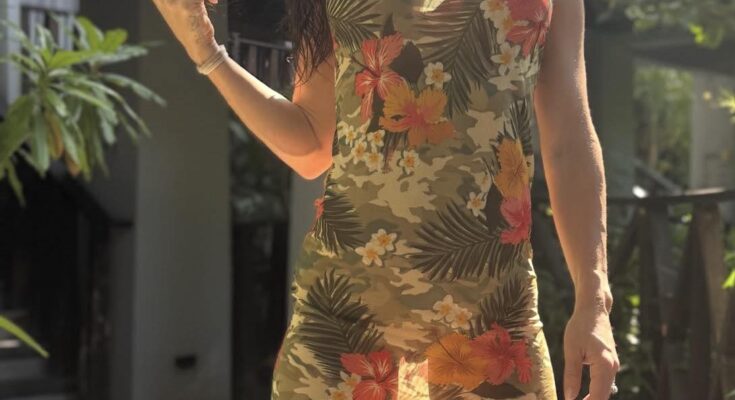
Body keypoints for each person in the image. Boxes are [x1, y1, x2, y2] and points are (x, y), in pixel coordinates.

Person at [152, 0, 620, 398]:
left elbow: (569, 139)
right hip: (341, 323)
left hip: (493, 327)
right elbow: (312, 143)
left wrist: (594, 298)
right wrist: (207, 52)